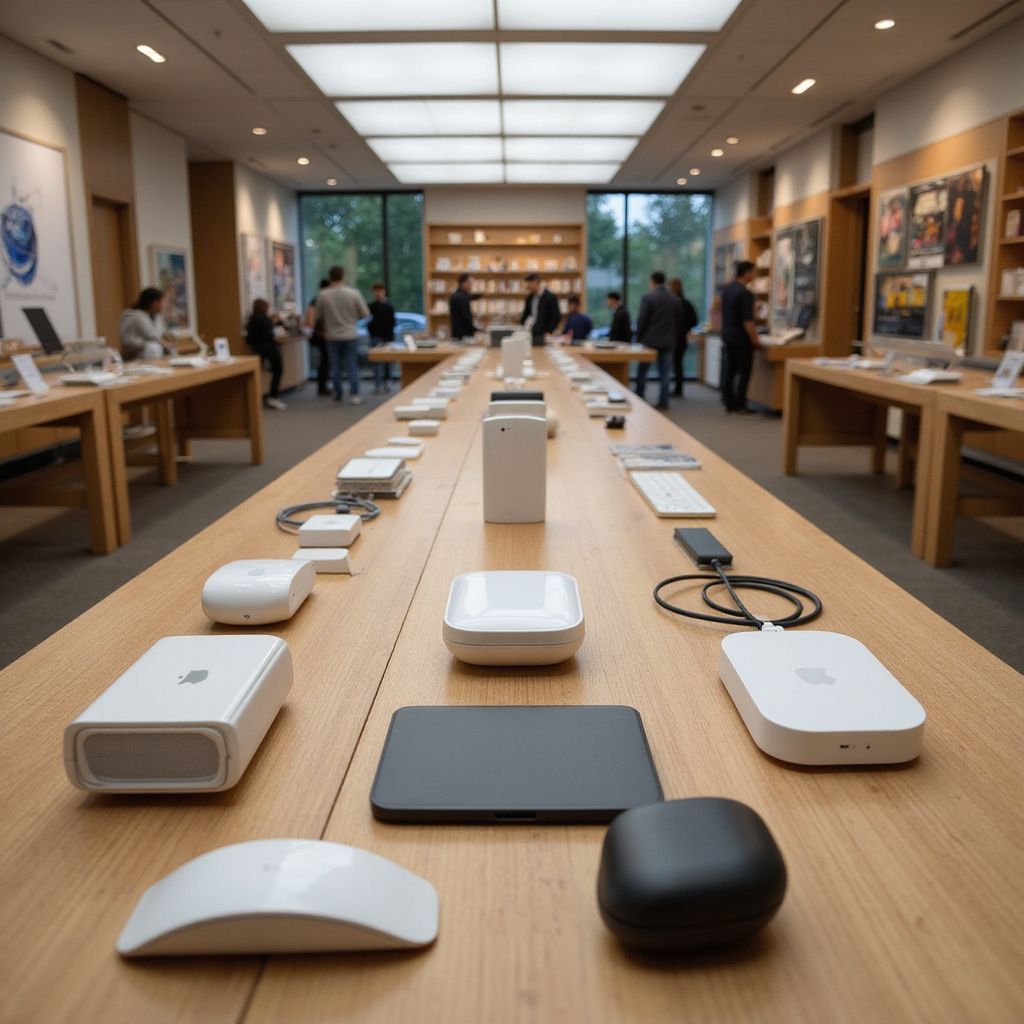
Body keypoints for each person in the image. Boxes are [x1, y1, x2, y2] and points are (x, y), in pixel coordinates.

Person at [315, 265, 369, 405]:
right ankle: (355, 394)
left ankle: (338, 393)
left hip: (332, 335)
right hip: (350, 334)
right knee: (352, 365)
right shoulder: (353, 293)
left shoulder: (323, 294)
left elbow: (318, 315)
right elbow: (365, 313)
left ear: (330, 277)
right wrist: (353, 317)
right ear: (343, 276)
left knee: (335, 366)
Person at [634, 271, 682, 411]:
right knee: (665, 373)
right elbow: (679, 321)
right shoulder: (674, 298)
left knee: (643, 371)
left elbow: (642, 320)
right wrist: (675, 336)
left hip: (650, 340)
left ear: (652, 281)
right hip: (668, 340)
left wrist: (639, 337)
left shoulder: (648, 297)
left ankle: (639, 396)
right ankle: (663, 401)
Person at [720, 260, 761, 415]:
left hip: (728, 334)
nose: (755, 275)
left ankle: (729, 402)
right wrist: (755, 340)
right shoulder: (745, 293)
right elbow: (747, 322)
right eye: (754, 271)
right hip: (740, 337)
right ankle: (741, 404)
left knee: (730, 369)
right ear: (747, 273)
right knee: (744, 371)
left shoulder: (728, 290)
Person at [245, 299, 285, 410]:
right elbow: (272, 336)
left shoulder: (251, 319)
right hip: (269, 349)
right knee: (278, 370)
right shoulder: (265, 319)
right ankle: (273, 397)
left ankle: (255, 399)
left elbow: (248, 339)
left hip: (256, 349)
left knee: (257, 374)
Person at [668, 277, 699, 398]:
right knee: (678, 364)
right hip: (681, 338)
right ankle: (678, 388)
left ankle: (678, 389)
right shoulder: (686, 303)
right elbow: (694, 320)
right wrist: (685, 330)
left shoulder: (674, 303)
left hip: (675, 338)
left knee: (675, 364)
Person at [119, 287, 167, 360]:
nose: (162, 305)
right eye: (160, 302)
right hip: (134, 355)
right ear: (153, 303)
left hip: (145, 354)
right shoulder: (137, 315)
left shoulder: (155, 316)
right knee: (153, 347)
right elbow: (153, 336)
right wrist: (166, 344)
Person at [367, 282, 397, 393]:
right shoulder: (371, 306)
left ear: (384, 292)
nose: (378, 293)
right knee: (376, 362)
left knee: (388, 361)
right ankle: (377, 384)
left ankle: (387, 381)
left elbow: (392, 322)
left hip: (387, 337)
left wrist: (390, 338)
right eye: (376, 291)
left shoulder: (389, 306)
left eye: (380, 291)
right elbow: (368, 321)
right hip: (375, 336)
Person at [303, 277, 330, 396]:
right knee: (325, 361)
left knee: (325, 361)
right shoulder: (320, 300)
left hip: (320, 334)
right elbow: (310, 321)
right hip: (321, 335)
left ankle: (323, 386)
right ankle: (322, 387)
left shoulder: (316, 299)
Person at [520, 273, 561, 347]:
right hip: (530, 332)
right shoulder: (529, 298)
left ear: (536, 282)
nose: (528, 286)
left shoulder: (550, 297)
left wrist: (549, 331)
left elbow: (556, 316)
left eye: (529, 283)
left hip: (543, 334)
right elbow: (526, 314)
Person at [449, 273, 478, 341]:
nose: (471, 286)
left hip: (457, 334)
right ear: (464, 283)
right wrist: (475, 329)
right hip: (464, 336)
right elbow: (466, 317)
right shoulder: (462, 298)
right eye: (470, 283)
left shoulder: (455, 295)